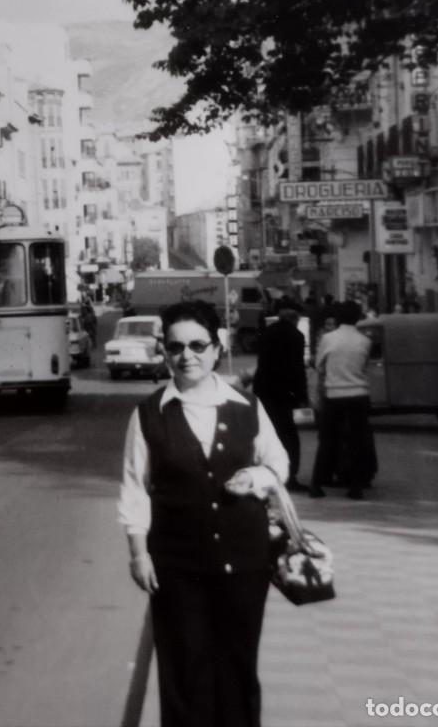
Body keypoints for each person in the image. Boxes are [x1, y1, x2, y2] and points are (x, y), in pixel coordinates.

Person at [118, 300, 288, 727]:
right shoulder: (149, 415)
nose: (186, 356)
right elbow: (135, 488)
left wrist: (256, 477)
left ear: (217, 347)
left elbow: (278, 462)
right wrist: (139, 553)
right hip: (177, 565)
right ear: (165, 352)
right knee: (184, 669)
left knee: (237, 667)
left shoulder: (246, 407)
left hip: (245, 561)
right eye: (176, 347)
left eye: (197, 345)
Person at [309, 300, 375, 500]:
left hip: (334, 395)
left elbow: (318, 364)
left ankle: (317, 485)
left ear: (337, 318)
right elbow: (364, 366)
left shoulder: (329, 339)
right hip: (359, 395)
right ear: (358, 318)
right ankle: (355, 487)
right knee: (357, 441)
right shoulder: (365, 341)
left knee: (328, 441)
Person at [252, 297, 308, 491]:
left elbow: (261, 362)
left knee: (267, 432)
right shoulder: (296, 336)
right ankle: (290, 477)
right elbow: (297, 368)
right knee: (289, 436)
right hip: (284, 393)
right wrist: (302, 396)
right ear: (296, 318)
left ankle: (267, 472)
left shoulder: (267, 333)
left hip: (264, 391)